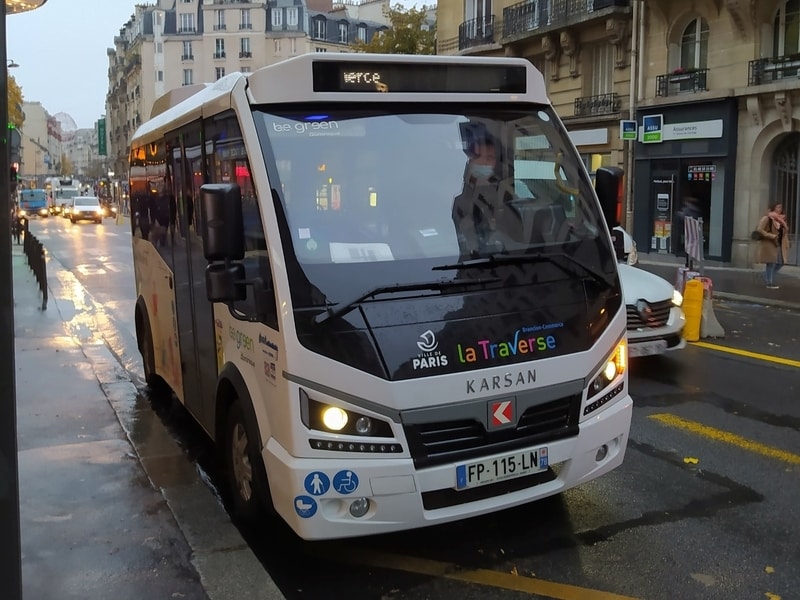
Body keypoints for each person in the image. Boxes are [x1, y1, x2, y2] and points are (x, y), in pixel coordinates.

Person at [452, 138, 522, 256]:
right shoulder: (459, 200)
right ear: (470, 161)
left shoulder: (506, 194)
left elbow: (518, 234)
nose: (484, 162)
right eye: (478, 157)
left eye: (490, 158)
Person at [756, 202, 791, 289]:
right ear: (773, 208)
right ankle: (769, 283)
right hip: (770, 243)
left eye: (781, 207)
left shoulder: (781, 220)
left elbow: (783, 233)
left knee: (781, 263)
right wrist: (771, 236)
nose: (780, 209)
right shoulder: (767, 218)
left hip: (779, 244)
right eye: (778, 207)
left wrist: (787, 242)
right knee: (771, 263)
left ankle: (765, 276)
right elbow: (759, 229)